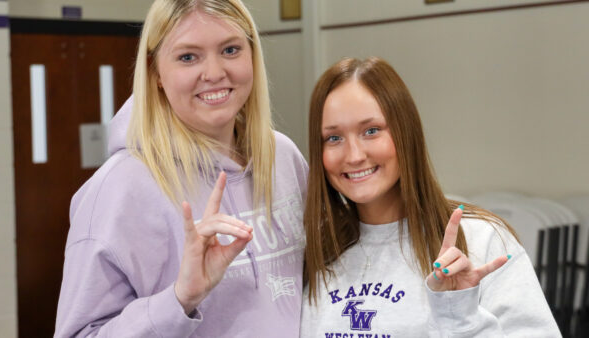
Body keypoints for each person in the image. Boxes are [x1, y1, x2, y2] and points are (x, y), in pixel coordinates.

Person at [55, 0, 308, 337]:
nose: (215, 73)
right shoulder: (118, 188)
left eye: (231, 49)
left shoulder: (283, 158)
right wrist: (179, 299)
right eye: (188, 57)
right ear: (156, 72)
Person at [299, 57, 560, 337]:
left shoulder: (479, 240)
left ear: (405, 133)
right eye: (334, 138)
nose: (353, 155)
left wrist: (461, 317)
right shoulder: (313, 249)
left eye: (371, 131)